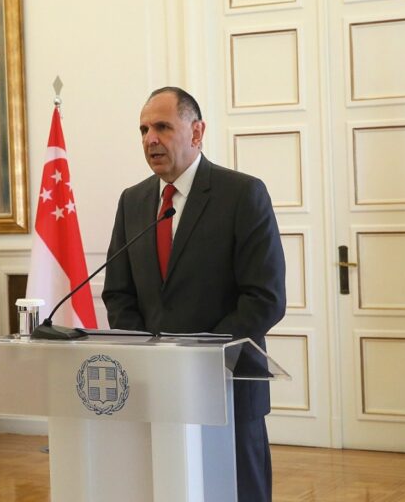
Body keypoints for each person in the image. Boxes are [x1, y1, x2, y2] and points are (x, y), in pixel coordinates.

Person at [102, 87, 286, 501]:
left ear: (197, 132)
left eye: (162, 127)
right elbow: (118, 293)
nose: (151, 139)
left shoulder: (242, 194)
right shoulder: (133, 201)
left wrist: (199, 354)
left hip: (226, 385)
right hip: (156, 387)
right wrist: (150, 353)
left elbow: (265, 297)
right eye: (144, 130)